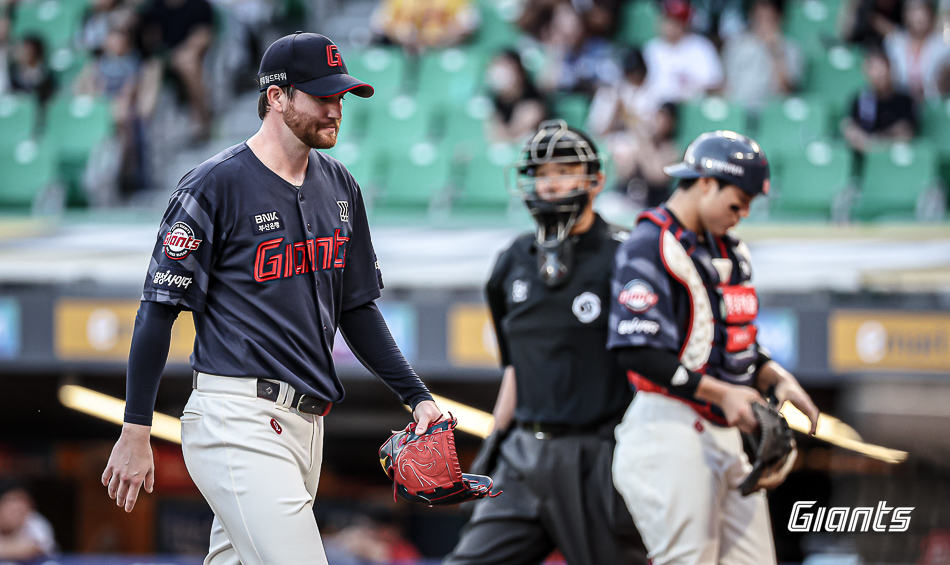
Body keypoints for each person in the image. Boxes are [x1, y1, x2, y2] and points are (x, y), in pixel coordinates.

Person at [101, 32, 443, 565]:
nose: (336, 109)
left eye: (341, 97)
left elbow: (357, 308)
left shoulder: (340, 185)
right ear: (277, 97)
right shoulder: (215, 185)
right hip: (236, 417)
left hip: (308, 425)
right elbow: (157, 310)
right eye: (322, 96)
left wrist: (417, 395)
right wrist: (135, 428)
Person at [607, 130, 820, 565]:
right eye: (737, 201)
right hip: (665, 427)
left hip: (720, 434)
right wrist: (724, 394)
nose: (742, 214)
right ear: (705, 183)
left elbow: (729, 339)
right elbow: (636, 350)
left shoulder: (727, 249)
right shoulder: (649, 242)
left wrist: (774, 376)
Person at [444, 120, 647, 565]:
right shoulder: (511, 260)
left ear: (595, 180)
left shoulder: (628, 255)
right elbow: (515, 368)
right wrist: (494, 443)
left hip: (598, 456)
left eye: (564, 170)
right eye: (541, 172)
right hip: (521, 455)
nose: (550, 183)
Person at [722, 0, 804, 112]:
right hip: (738, 109)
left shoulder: (791, 49)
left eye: (768, 18)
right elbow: (726, 83)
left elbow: (786, 90)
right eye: (759, 18)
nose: (762, 23)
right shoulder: (736, 44)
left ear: (779, 18)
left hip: (771, 113)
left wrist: (774, 49)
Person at [643, 0, 723, 104]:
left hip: (689, 108)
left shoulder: (702, 48)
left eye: (675, 22)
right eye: (667, 19)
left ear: (685, 24)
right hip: (656, 108)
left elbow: (716, 84)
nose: (669, 26)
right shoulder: (650, 48)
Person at [842, 48, 917, 153]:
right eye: (873, 69)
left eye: (882, 69)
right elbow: (849, 127)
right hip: (864, 152)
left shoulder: (904, 100)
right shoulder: (861, 98)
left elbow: (905, 132)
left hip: (892, 153)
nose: (878, 75)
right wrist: (865, 141)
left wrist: (878, 140)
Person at [883, 0, 950, 101]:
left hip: (933, 104)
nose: (918, 16)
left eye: (922, 11)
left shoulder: (943, 47)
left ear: (931, 15)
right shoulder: (894, 43)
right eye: (913, 11)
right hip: (899, 105)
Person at [486, 49, 547, 143]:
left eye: (507, 67)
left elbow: (508, 137)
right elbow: (493, 135)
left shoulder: (533, 104)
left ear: (520, 73)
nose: (500, 74)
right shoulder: (494, 102)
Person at [0, 483, 56, 560]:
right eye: (12, 511)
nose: (16, 516)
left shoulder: (35, 522)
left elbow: (36, 550)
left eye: (20, 511)